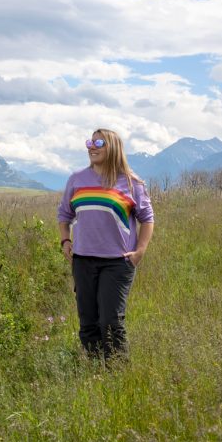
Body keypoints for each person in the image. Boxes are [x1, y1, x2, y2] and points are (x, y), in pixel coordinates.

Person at [58, 128, 154, 362]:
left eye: (98, 142)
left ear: (113, 146)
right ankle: (95, 372)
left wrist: (139, 252)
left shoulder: (132, 183)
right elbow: (64, 214)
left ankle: (117, 374)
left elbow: (147, 219)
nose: (92, 146)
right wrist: (65, 240)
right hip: (82, 261)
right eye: (89, 141)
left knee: (110, 321)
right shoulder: (77, 179)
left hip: (118, 263)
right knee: (88, 322)